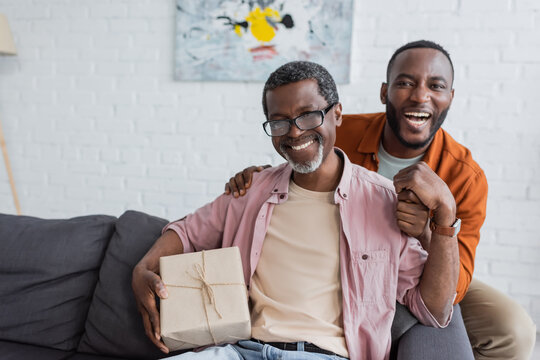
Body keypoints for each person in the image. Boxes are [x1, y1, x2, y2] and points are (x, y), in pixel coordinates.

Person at [225, 41, 537, 360]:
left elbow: (454, 289)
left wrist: (429, 233)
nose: (420, 95)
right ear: (384, 92)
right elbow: (293, 166)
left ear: (450, 98)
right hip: (340, 257)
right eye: (405, 83)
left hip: (421, 268)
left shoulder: (465, 175)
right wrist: (256, 178)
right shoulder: (339, 132)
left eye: (436, 86)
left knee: (513, 330)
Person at [132, 61, 460, 360]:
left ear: (338, 114)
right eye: (279, 122)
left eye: (308, 115)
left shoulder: (384, 201)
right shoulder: (251, 190)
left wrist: (444, 220)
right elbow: (187, 232)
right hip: (239, 352)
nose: (294, 131)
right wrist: (143, 268)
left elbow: (434, 311)